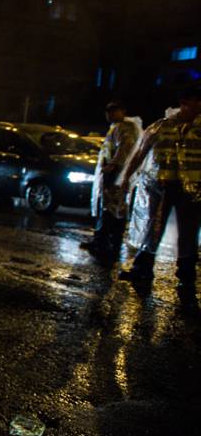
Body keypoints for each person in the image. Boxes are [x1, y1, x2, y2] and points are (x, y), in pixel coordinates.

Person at [118, 85, 201, 303]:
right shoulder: (161, 127)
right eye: (196, 102)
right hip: (161, 187)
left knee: (189, 233)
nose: (199, 106)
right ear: (184, 103)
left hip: (192, 190)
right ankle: (142, 267)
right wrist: (126, 177)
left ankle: (186, 275)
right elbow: (140, 153)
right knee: (152, 227)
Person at [81, 101, 140, 258]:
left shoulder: (126, 127)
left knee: (113, 210)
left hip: (117, 175)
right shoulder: (115, 127)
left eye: (115, 111)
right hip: (111, 174)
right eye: (108, 111)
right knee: (106, 208)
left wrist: (112, 166)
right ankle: (100, 241)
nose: (110, 114)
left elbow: (124, 149)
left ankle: (110, 246)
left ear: (123, 111)